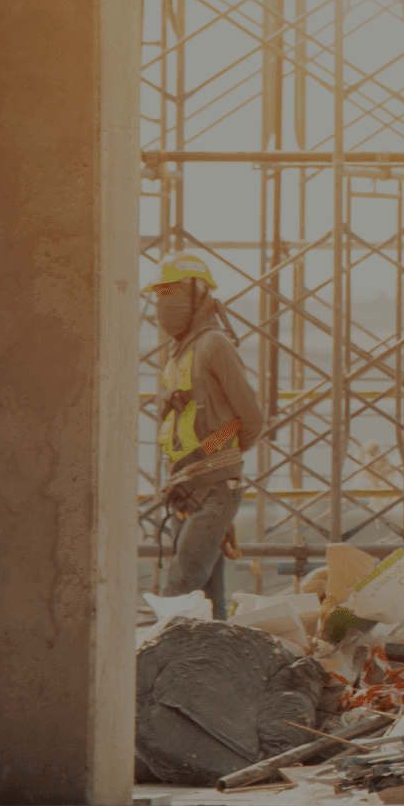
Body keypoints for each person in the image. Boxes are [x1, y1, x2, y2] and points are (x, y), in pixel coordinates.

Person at [147, 254, 268, 617]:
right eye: (159, 295)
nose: (163, 304)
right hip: (190, 490)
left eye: (173, 293)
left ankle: (164, 669)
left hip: (211, 487)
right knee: (210, 601)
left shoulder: (214, 345)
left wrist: (220, 462)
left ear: (199, 296)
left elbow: (251, 418)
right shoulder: (179, 353)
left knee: (180, 593)